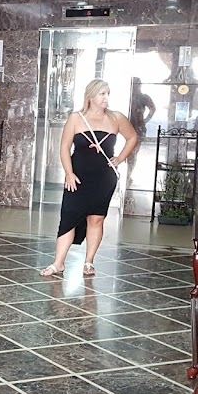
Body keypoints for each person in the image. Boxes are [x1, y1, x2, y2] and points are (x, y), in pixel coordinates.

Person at [41, 79, 138, 277]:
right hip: (77, 177)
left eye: (108, 93)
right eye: (102, 94)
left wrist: (119, 159)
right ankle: (58, 263)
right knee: (69, 217)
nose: (106, 98)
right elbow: (64, 147)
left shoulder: (116, 118)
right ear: (90, 96)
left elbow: (132, 137)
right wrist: (69, 173)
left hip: (104, 179)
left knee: (96, 219)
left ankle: (89, 262)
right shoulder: (76, 118)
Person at [125, 78, 155, 184]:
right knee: (126, 152)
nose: (135, 86)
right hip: (126, 127)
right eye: (134, 84)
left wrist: (145, 120)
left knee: (132, 154)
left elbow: (153, 108)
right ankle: (125, 176)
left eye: (137, 84)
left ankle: (128, 176)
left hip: (137, 128)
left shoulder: (143, 97)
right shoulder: (127, 96)